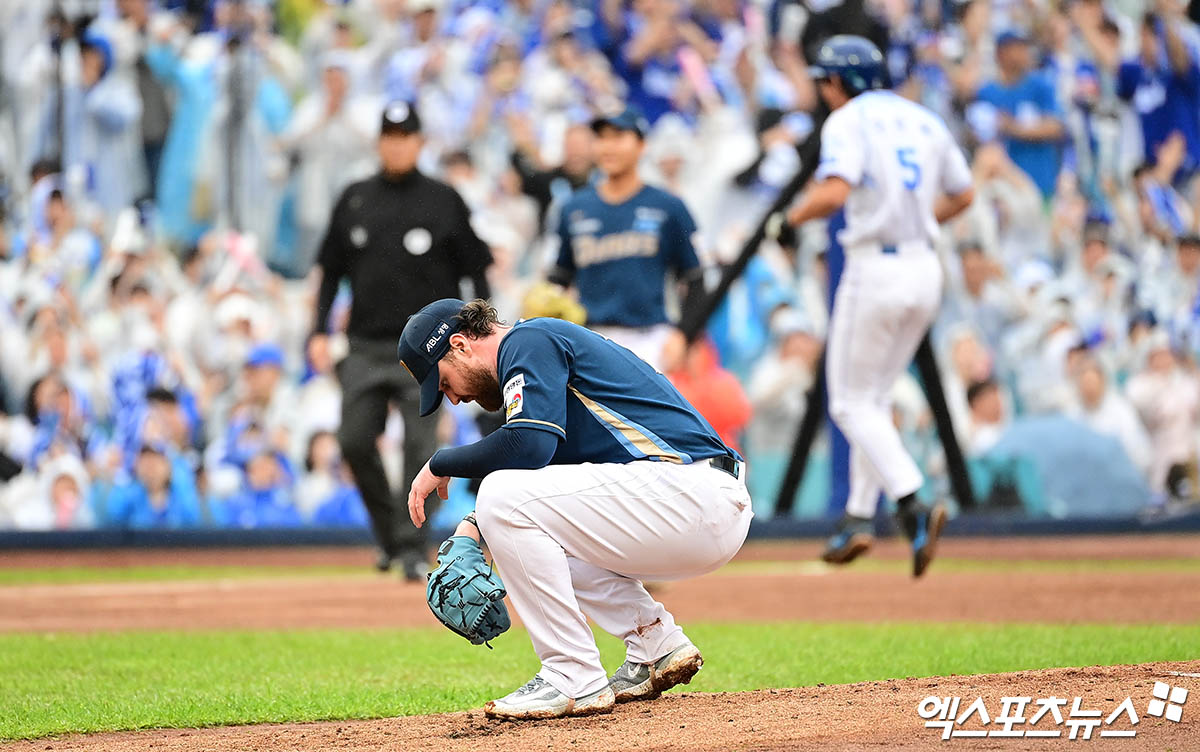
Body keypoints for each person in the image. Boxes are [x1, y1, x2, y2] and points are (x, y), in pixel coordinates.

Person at [400, 298, 752, 720]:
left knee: (499, 492)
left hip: (692, 493)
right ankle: (655, 644)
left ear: (458, 344)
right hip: (694, 500)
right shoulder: (539, 367)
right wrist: (473, 527)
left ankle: (571, 674)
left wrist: (441, 462)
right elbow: (542, 484)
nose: (453, 399)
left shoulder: (527, 340)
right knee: (527, 521)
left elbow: (528, 446)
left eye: (443, 383)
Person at [785, 36, 975, 576]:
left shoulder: (847, 120)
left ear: (839, 82)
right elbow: (964, 194)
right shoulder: (924, 118)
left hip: (877, 268)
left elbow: (833, 192)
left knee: (848, 403)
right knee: (874, 397)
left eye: (826, 80)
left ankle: (911, 503)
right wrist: (920, 219)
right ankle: (857, 516)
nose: (824, 90)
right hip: (924, 267)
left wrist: (788, 220)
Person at [312, 101, 493, 579]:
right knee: (352, 440)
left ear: (420, 142)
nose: (397, 144)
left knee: (421, 448)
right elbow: (330, 273)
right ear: (379, 142)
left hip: (430, 351)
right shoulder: (354, 198)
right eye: (389, 136)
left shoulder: (443, 199)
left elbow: (476, 269)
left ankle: (412, 548)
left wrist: (483, 331)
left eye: (406, 136)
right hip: (367, 345)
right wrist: (315, 330)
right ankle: (393, 535)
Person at [548, 106, 704, 372]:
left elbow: (695, 279)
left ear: (642, 144)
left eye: (618, 136)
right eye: (602, 137)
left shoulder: (668, 207)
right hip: (590, 338)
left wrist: (684, 335)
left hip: (651, 339)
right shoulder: (573, 208)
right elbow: (558, 279)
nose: (608, 147)